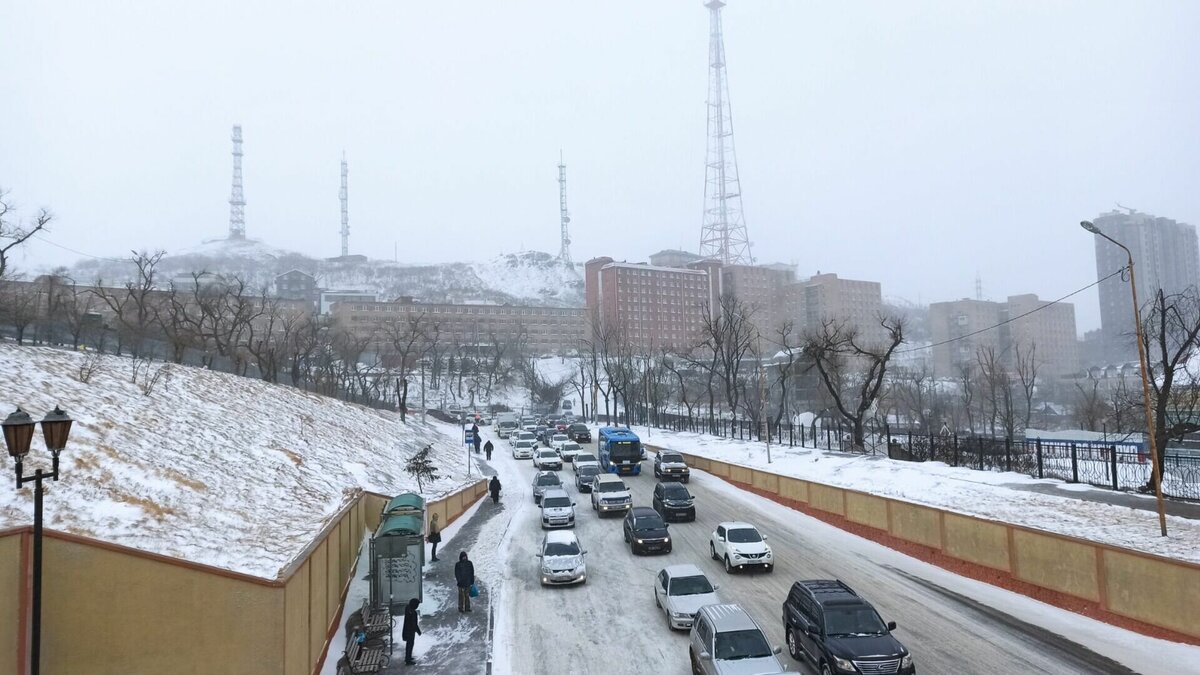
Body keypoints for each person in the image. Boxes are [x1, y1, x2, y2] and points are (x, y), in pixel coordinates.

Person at [401, 597, 421, 665]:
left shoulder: (407, 608)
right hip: (410, 632)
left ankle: (408, 657)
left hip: (406, 630)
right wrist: (418, 631)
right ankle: (408, 659)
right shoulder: (413, 613)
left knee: (408, 645)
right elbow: (414, 624)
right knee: (410, 645)